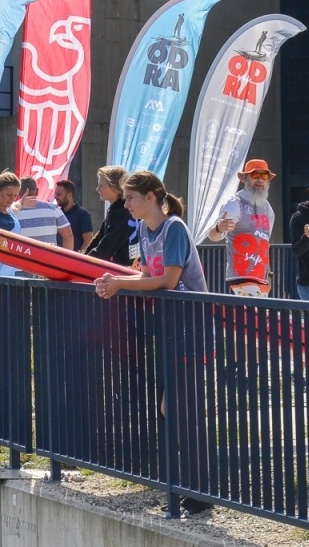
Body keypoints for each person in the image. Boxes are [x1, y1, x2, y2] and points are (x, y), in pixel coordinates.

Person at [93, 170, 213, 515]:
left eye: (130, 197)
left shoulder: (174, 227)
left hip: (191, 326)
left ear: (150, 197)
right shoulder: (145, 230)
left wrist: (120, 284)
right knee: (172, 408)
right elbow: (146, 275)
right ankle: (189, 487)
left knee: (179, 408)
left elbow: (169, 281)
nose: (125, 204)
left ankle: (199, 490)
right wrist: (113, 280)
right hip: (171, 327)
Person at [207, 159, 276, 296]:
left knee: (258, 317)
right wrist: (219, 228)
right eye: (255, 175)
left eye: (264, 176)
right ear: (245, 178)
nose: (260, 180)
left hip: (261, 278)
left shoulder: (268, 208)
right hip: (241, 277)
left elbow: (265, 243)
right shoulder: (234, 203)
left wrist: (269, 274)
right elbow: (213, 236)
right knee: (252, 316)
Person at [85, 164, 134, 266]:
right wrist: (84, 257)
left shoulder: (122, 212)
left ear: (114, 188)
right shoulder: (115, 209)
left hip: (125, 270)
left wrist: (83, 262)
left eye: (101, 185)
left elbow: (106, 248)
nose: (97, 189)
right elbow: (99, 239)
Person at [14, 175, 73, 250]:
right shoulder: (53, 209)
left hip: (20, 259)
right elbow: (68, 236)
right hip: (48, 259)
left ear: (18, 192)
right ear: (37, 191)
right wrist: (66, 260)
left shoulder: (11, 211)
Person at [53, 178, 94, 250]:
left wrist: (79, 258)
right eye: (55, 193)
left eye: (59, 194)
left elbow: (88, 240)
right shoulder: (57, 213)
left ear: (69, 196)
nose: (55, 197)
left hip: (74, 259)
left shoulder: (83, 215)